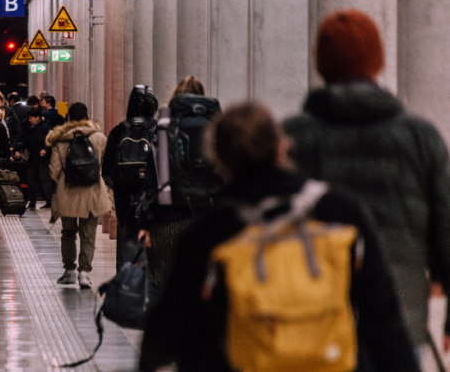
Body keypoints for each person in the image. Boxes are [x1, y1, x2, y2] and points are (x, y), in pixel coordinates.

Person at [140, 102, 418, 372]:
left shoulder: (208, 234)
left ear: (220, 158)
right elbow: (384, 319)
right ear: (282, 147)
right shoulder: (339, 211)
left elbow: (166, 329)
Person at [284, 9, 450, 366]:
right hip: (400, 320)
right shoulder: (420, 138)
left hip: (313, 320)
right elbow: (446, 232)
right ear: (377, 62)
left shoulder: (294, 138)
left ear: (321, 64)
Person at [137, 76, 216, 287]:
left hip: (168, 218)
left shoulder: (164, 128)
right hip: (209, 220)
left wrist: (144, 224)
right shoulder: (218, 128)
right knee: (204, 285)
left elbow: (152, 178)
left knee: (165, 283)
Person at [47, 102, 111, 289]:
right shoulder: (99, 138)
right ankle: (84, 273)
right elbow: (106, 167)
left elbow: (54, 170)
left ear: (68, 118)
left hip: (67, 193)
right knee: (88, 234)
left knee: (68, 233)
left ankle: (69, 271)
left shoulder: (60, 140)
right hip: (93, 192)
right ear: (87, 117)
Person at [102, 85, 159, 271]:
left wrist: (120, 185)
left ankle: (125, 279)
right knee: (153, 238)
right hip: (152, 195)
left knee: (127, 236)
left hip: (124, 196)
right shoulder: (157, 130)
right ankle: (149, 280)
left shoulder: (119, 130)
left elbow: (107, 169)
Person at [19, 108, 54, 209]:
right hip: (32, 157)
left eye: (31, 118)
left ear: (37, 117)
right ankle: (32, 201)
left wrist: (45, 149)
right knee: (31, 180)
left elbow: (51, 140)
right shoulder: (29, 127)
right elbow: (26, 140)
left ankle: (49, 201)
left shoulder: (46, 126)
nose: (29, 120)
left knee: (44, 179)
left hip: (43, 158)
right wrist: (16, 147)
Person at [0, 94, 22, 158]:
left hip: (8, 145)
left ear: (2, 102)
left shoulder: (10, 113)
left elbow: (18, 130)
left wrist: (14, 146)